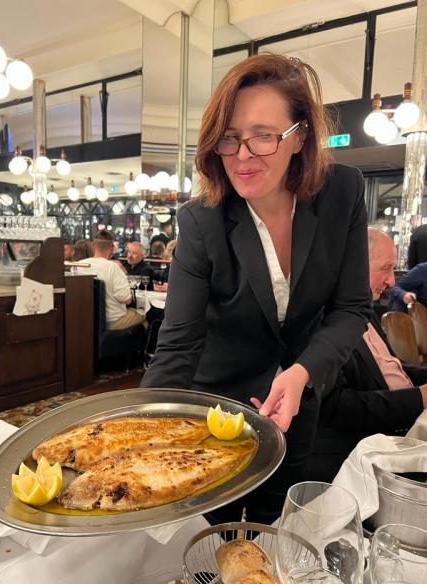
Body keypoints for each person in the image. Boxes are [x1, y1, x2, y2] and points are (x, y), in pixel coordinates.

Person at [141, 53, 371, 523]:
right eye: (229, 138)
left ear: (300, 136)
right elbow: (178, 345)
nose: (242, 156)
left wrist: (303, 371)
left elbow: (351, 308)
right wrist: (139, 430)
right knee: (212, 535)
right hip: (217, 413)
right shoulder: (202, 220)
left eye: (264, 136)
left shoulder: (342, 192)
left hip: (297, 405)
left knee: (275, 526)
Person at [311, 228, 427, 482]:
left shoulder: (364, 307)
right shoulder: (321, 318)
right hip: (366, 449)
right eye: (385, 268)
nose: (392, 281)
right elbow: (338, 406)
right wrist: (419, 398)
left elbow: (390, 366)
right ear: (353, 265)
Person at [79, 231, 144, 331]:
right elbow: (126, 300)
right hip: (113, 321)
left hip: (87, 319)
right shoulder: (114, 267)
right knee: (144, 315)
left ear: (93, 246)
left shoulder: (79, 265)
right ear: (113, 248)